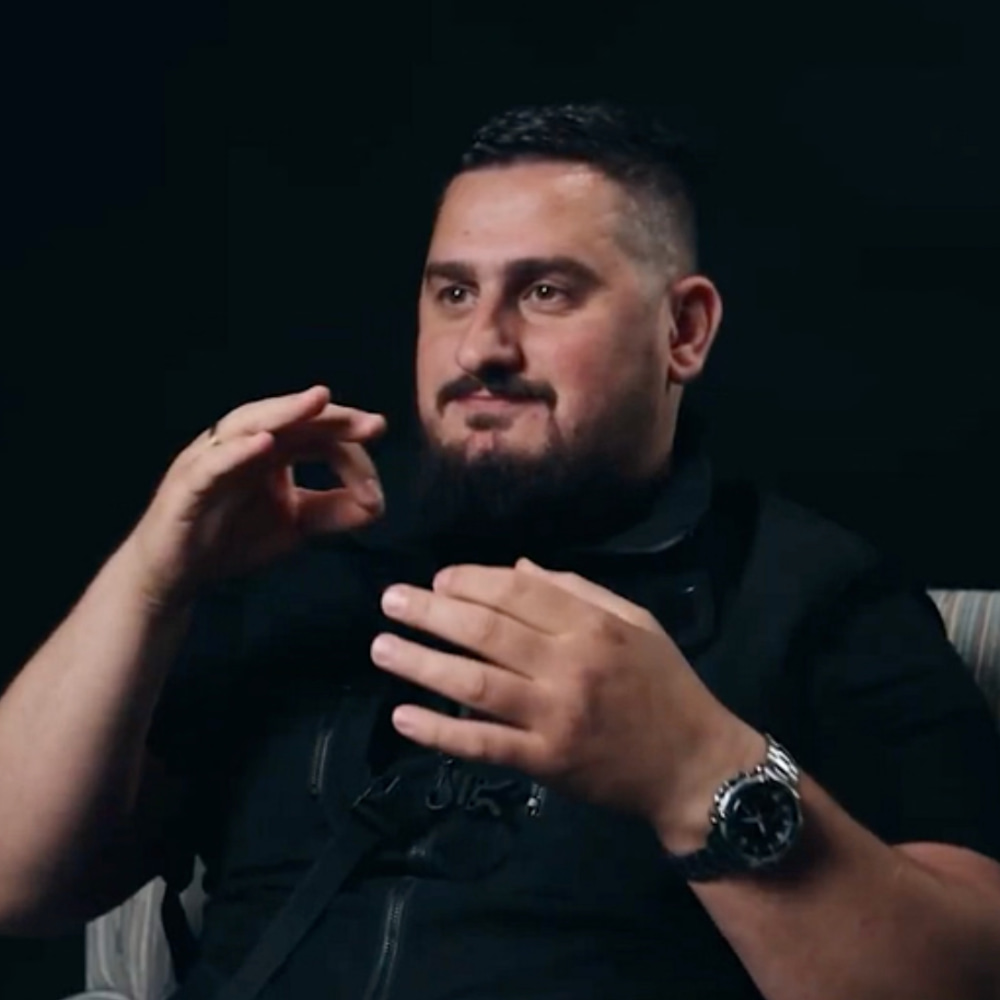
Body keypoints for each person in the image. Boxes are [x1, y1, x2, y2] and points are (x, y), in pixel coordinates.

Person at [1, 102, 999, 1000]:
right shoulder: (298, 572)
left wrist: (695, 767)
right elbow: (17, 879)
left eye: (547, 292)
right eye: (450, 294)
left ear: (683, 330)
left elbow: (965, 973)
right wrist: (150, 575)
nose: (482, 345)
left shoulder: (813, 594)